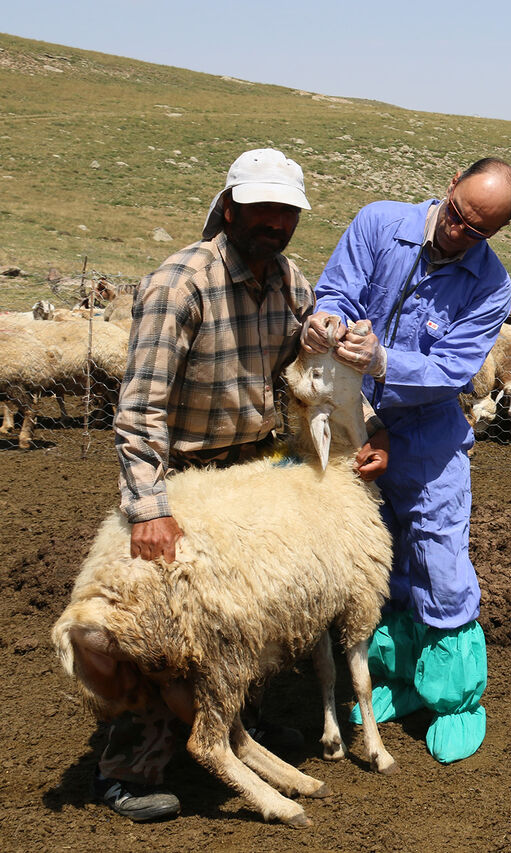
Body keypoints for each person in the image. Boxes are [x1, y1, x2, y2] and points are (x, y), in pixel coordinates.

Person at [97, 148, 387, 822]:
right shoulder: (181, 285)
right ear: (228, 207)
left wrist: (321, 337)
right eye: (260, 209)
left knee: (245, 622)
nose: (274, 223)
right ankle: (128, 766)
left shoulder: (287, 280)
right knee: (165, 626)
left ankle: (239, 734)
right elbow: (138, 407)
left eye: (285, 212)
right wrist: (148, 507)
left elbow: (302, 360)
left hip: (255, 474)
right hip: (188, 479)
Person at [303, 157, 511, 765]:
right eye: (457, 216)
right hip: (355, 424)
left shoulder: (491, 285)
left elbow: (451, 370)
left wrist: (382, 362)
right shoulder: (379, 224)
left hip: (429, 440)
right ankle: (393, 678)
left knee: (439, 558)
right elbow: (338, 290)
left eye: (477, 230)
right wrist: (326, 322)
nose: (458, 233)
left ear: (495, 233)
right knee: (380, 556)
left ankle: (457, 700)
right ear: (451, 184)